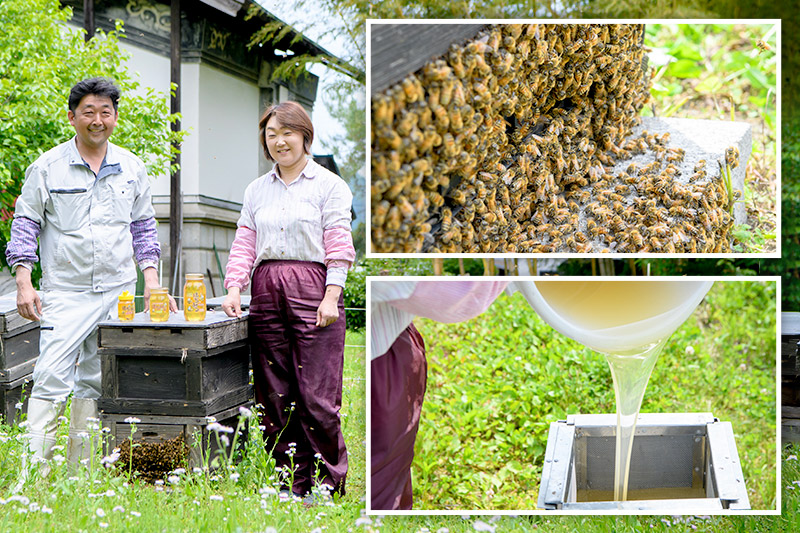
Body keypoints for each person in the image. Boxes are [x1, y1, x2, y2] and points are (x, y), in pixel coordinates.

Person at [5, 77, 176, 481]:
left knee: (98, 381)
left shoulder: (132, 167)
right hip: (64, 292)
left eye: (105, 112)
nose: (97, 120)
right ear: (72, 117)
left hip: (118, 292)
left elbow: (144, 230)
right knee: (49, 377)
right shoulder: (47, 167)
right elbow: (25, 226)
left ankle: (81, 476)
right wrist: (24, 281)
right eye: (88, 112)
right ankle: (35, 477)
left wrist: (151, 282)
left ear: (115, 117)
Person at [221, 101, 355, 501]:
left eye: (287, 133)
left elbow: (338, 244)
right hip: (266, 288)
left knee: (317, 394)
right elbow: (245, 242)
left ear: (305, 136)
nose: (280, 141)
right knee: (274, 393)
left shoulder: (329, 185)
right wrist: (233, 287)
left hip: (314, 287)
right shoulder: (256, 190)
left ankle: (328, 482)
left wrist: (332, 294)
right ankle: (288, 483)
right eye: (271, 134)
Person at [370, 280, 508, 510]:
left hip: (390, 340)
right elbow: (451, 297)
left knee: (392, 469)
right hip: (382, 358)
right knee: (382, 477)